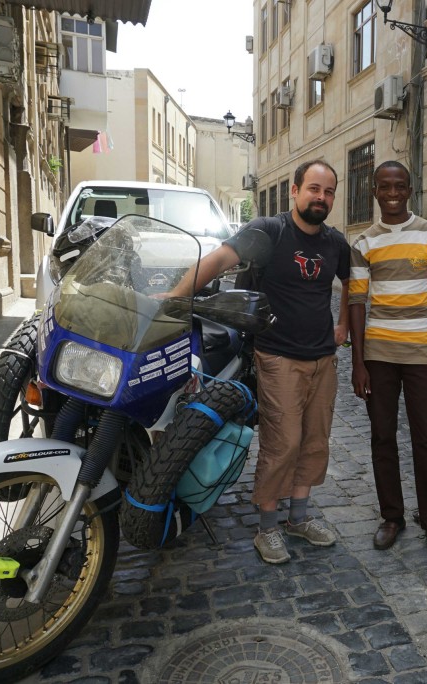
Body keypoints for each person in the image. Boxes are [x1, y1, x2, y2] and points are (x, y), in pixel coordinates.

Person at [168, 159, 350, 564]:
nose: (321, 197)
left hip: (323, 358)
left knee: (314, 442)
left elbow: (352, 284)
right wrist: (175, 298)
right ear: (295, 191)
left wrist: (344, 325)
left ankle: (298, 518)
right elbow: (218, 260)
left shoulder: (335, 243)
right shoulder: (268, 231)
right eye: (314, 189)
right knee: (282, 444)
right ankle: (267, 527)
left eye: (329, 191)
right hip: (278, 357)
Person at [348, 161, 427, 561]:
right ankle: (392, 516)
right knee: (382, 436)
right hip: (378, 354)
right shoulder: (363, 243)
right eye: (384, 186)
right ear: (374, 191)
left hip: (422, 353)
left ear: (409, 189)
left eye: (399, 186)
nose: (391, 192)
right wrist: (358, 362)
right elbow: (357, 302)